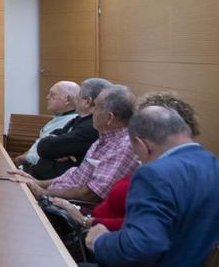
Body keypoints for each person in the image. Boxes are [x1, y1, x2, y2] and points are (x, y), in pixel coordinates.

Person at [48, 91, 202, 236]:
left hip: (93, 234)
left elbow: (141, 233)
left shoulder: (160, 174)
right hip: (90, 223)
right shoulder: (162, 164)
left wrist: (85, 222)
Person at [87, 105, 218, 265]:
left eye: (136, 153)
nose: (139, 159)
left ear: (142, 144)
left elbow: (140, 247)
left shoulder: (154, 174)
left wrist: (99, 240)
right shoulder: (213, 164)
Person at [10, 85, 138, 202]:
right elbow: (76, 176)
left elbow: (92, 193)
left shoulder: (123, 147)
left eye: (96, 107)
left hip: (68, 206)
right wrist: (37, 183)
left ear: (109, 118)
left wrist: (44, 193)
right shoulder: (104, 138)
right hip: (54, 195)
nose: (92, 112)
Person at [29, 77, 109, 180]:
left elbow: (44, 148)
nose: (75, 98)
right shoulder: (79, 119)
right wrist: (58, 149)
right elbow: (47, 141)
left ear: (87, 102)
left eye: (78, 95)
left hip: (53, 187)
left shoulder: (91, 127)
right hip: (41, 179)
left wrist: (55, 148)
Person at [14, 80, 81, 168]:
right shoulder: (59, 117)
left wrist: (24, 158)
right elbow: (38, 144)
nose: (47, 97)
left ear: (68, 100)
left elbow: (50, 153)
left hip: (36, 172)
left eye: (52, 95)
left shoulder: (72, 122)